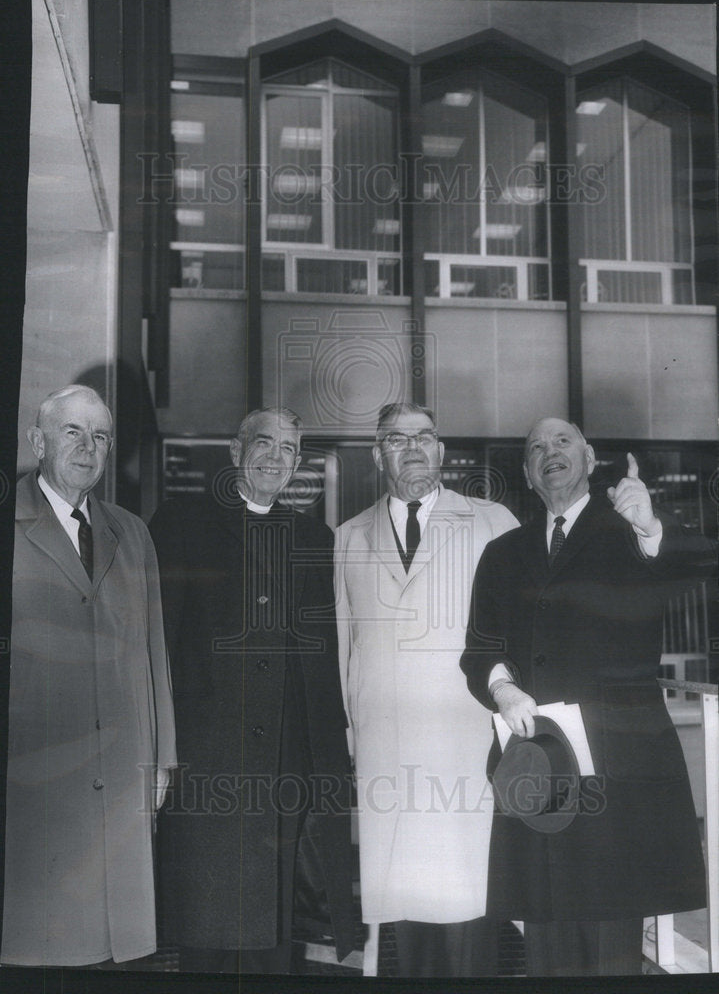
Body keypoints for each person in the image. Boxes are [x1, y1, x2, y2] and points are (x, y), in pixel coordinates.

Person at [461, 416, 715, 976]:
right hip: (535, 763)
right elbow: (479, 649)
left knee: (611, 942)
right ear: (528, 475)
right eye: (535, 449)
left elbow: (697, 566)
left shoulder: (631, 531)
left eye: (562, 441)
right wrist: (503, 690)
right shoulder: (503, 554)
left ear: (591, 456)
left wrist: (651, 525)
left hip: (618, 771)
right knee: (546, 935)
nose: (548, 452)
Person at [149, 407, 354, 974]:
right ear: (236, 452)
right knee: (207, 928)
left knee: (273, 931)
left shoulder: (315, 536)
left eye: (288, 450)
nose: (275, 458)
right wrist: (157, 750)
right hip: (204, 755)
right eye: (265, 444)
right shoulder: (181, 521)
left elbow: (321, 653)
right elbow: (156, 640)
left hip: (283, 762)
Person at [334, 402, 518, 976]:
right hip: (387, 751)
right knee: (404, 917)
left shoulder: (494, 522)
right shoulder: (346, 537)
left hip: (467, 747)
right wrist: (351, 731)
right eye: (396, 439)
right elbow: (345, 646)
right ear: (377, 455)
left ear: (442, 450)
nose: (412, 448)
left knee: (470, 911)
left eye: (425, 437)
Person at [1, 384, 176, 967]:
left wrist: (162, 759)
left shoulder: (134, 533)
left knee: (112, 950)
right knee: (36, 945)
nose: (88, 446)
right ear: (37, 442)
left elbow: (154, 654)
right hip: (35, 775)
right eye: (72, 431)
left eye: (99, 435)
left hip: (122, 772)